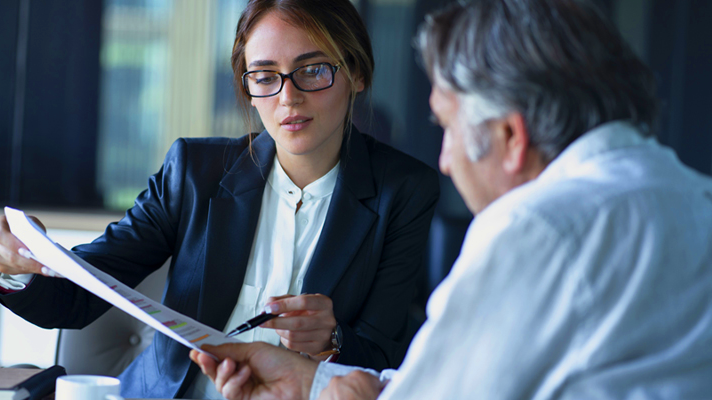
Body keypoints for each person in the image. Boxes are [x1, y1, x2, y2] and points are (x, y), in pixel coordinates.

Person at [190, 0, 712, 399]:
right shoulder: (693, 198)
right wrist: (315, 381)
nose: (444, 159)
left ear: (511, 137)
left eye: (449, 128)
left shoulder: (538, 227)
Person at [0, 1, 439, 398]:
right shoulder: (194, 172)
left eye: (313, 70)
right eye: (265, 76)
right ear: (248, 88)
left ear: (356, 74)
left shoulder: (403, 190)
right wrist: (18, 265)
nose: (289, 98)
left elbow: (387, 359)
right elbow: (76, 298)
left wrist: (332, 339)